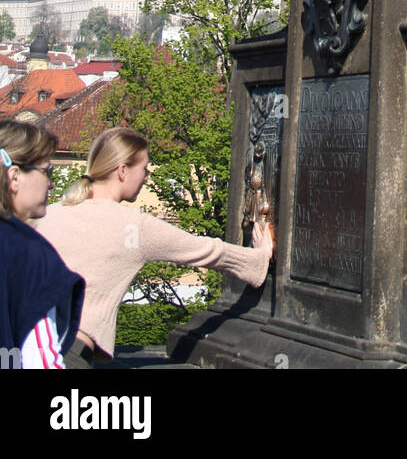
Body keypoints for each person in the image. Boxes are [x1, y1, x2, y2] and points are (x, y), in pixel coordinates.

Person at [35, 127, 272, 365]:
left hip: (32, 345)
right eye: (144, 169)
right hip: (70, 355)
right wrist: (258, 259)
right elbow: (203, 250)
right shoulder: (134, 227)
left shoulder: (49, 216)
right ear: (123, 170)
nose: (147, 177)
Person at [0, 119, 84, 369]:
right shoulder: (29, 254)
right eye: (47, 171)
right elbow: (41, 362)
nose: (51, 183)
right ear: (14, 177)